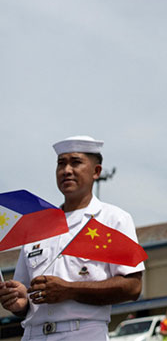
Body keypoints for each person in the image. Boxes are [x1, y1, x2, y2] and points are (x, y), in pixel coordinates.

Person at [0, 136, 144, 340]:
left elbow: (133, 287)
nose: (66, 170)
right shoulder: (37, 225)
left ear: (96, 171)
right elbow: (24, 295)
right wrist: (18, 302)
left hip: (82, 332)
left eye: (75, 162)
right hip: (33, 334)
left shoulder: (113, 219)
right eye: (61, 164)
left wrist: (69, 290)